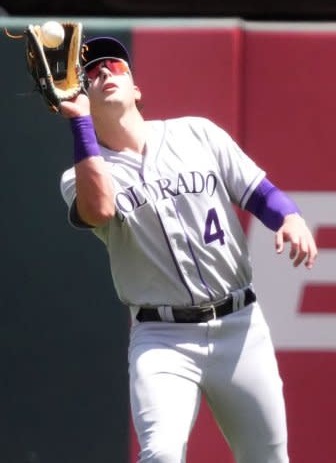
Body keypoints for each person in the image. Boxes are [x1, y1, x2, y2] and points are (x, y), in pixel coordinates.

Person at [59, 34, 318, 463]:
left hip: (240, 326)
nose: (105, 71)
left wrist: (289, 218)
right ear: (82, 94)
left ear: (136, 88)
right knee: (160, 455)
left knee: (268, 458)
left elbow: (258, 192)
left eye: (117, 66)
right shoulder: (80, 176)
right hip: (162, 337)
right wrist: (79, 124)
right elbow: (100, 209)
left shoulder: (195, 132)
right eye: (92, 71)